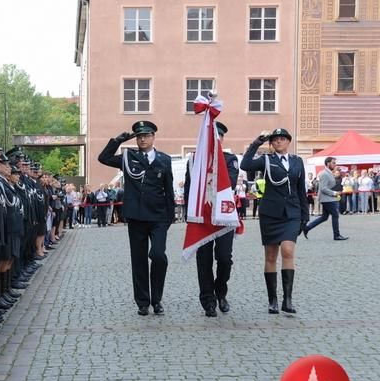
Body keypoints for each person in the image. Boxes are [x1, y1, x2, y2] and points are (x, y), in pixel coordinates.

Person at [98, 120, 174, 316]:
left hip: (158, 217)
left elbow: (169, 190)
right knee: (138, 260)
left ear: (153, 137)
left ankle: (157, 299)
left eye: (146, 135)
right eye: (139, 136)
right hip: (136, 216)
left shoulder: (164, 160)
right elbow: (103, 158)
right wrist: (117, 141)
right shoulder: (127, 157)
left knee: (158, 255)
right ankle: (143, 302)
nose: (142, 139)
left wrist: (169, 217)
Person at [240, 128, 308, 315]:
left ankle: (288, 299)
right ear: (271, 143)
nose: (278, 142)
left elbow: (300, 188)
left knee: (287, 251)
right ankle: (273, 300)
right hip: (271, 213)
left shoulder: (297, 161)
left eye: (282, 139)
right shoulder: (267, 160)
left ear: (288, 142)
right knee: (270, 256)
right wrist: (257, 142)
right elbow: (245, 165)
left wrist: (305, 215)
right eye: (275, 140)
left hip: (292, 212)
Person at [185, 122, 239, 317]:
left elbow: (230, 183)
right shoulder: (194, 161)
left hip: (224, 216)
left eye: (218, 137)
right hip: (203, 216)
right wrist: (189, 217)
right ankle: (208, 300)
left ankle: (221, 291)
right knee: (204, 260)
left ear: (222, 140)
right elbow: (189, 189)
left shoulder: (230, 159)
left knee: (224, 258)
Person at [302, 157, 348, 241]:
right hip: (327, 199)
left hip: (327, 198)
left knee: (324, 217)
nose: (335, 164)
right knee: (335, 215)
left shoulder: (328, 173)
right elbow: (323, 188)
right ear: (328, 163)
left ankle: (307, 228)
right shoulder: (325, 174)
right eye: (333, 163)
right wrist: (334, 193)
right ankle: (336, 235)